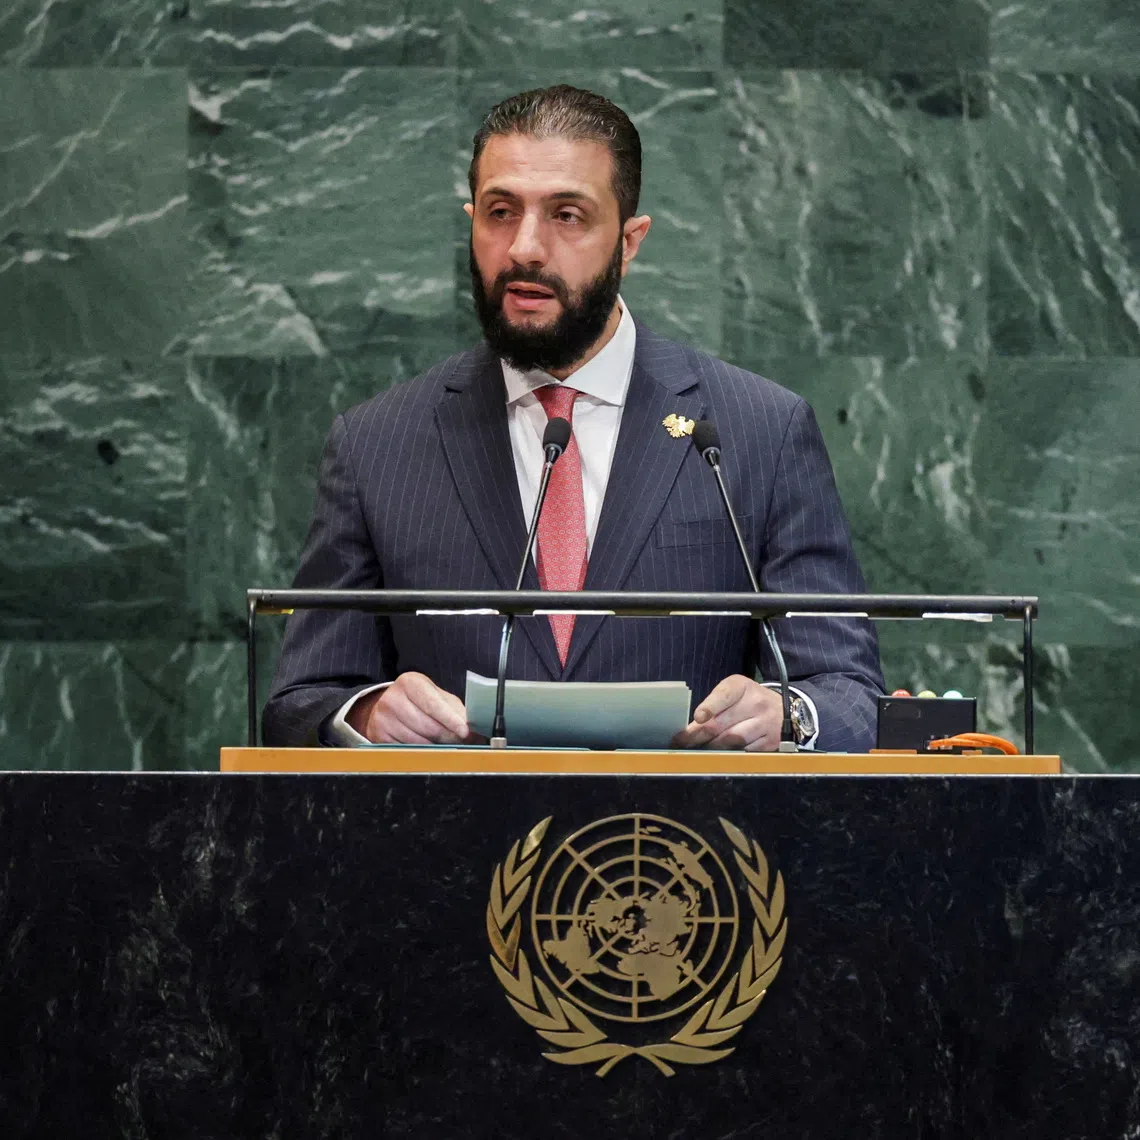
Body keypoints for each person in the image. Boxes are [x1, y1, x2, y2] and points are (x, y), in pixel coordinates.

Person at [263, 84, 884, 753]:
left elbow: (848, 689)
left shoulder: (758, 430)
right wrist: (367, 713)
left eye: (567, 215)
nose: (526, 248)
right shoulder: (377, 446)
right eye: (500, 212)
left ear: (629, 241)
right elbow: (300, 701)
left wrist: (783, 714)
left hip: (683, 847)